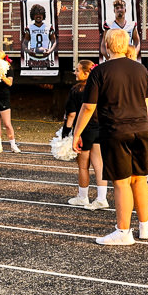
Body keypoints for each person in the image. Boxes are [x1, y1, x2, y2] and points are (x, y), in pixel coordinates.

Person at [73, 29, 148, 245]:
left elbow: (89, 107)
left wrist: (76, 132)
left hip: (115, 129)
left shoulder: (100, 72)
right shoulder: (141, 70)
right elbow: (145, 104)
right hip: (141, 127)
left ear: (107, 46)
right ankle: (145, 226)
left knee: (121, 182)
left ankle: (123, 231)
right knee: (140, 178)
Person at [63, 60, 110, 210]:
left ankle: (83, 197)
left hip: (84, 131)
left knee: (83, 166)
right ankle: (101, 198)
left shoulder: (77, 90)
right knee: (99, 165)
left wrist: (66, 132)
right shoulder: (101, 88)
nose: (75, 73)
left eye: (77, 70)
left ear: (86, 73)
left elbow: (71, 114)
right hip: (100, 128)